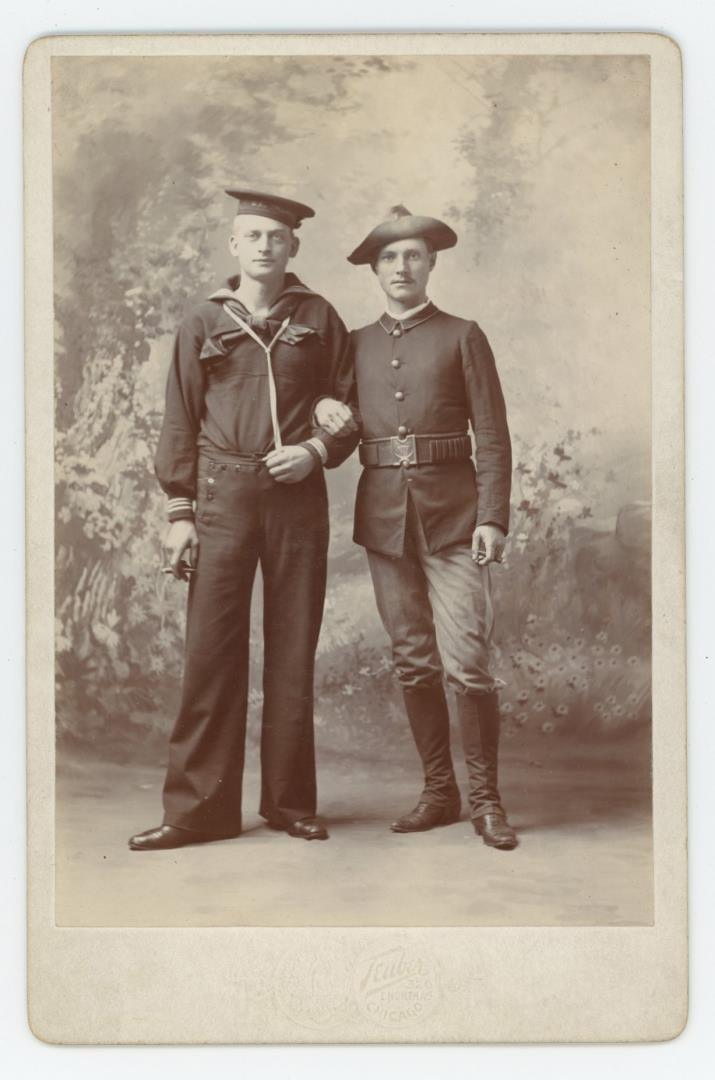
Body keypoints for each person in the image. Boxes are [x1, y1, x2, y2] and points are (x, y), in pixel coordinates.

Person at [129, 190, 358, 851]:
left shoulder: (318, 316)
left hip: (296, 501)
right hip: (223, 495)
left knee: (292, 651)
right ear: (234, 245)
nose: (264, 247)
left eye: (276, 238)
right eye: (252, 236)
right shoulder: (203, 319)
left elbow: (350, 404)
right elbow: (180, 418)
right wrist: (180, 514)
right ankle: (198, 811)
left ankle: (289, 804)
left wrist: (316, 451)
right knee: (211, 653)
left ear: (292, 247)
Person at [318, 205, 516, 850]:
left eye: (413, 256)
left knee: (468, 664)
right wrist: (325, 419)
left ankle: (486, 800)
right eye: (389, 258)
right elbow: (344, 439)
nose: (401, 267)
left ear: (430, 264)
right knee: (412, 663)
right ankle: (440, 792)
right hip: (384, 522)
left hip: (456, 520)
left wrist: (492, 517)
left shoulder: (463, 334)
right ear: (374, 270)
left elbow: (490, 434)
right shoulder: (356, 343)